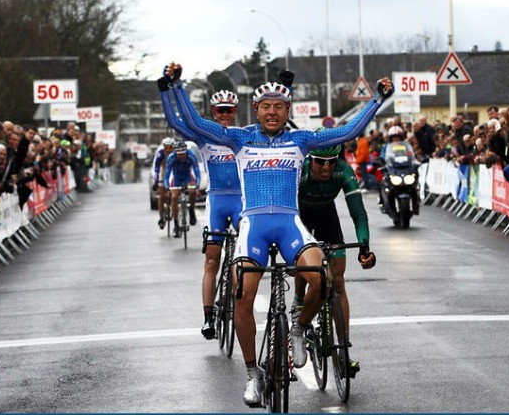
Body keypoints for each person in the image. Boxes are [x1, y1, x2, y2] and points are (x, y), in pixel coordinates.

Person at [165, 61, 394, 407]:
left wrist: (377, 99)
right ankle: (253, 374)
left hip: (290, 223)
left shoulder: (301, 140)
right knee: (242, 289)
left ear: (289, 110)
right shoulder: (238, 138)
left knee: (321, 276)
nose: (272, 112)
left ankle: (300, 327)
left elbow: (347, 132)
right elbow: (195, 123)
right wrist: (177, 85)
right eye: (266, 106)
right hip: (253, 226)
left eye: (279, 106)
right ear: (256, 110)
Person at [158, 79, 244, 340]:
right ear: (212, 111)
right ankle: (208, 317)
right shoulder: (204, 137)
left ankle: (240, 302)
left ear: (236, 111)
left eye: (229, 110)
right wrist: (168, 90)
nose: (225, 115)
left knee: (245, 260)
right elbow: (175, 122)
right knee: (211, 261)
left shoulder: (244, 135)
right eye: (220, 110)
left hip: (242, 200)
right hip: (217, 200)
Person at [295, 139, 376, 377]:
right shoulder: (300, 171)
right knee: (303, 260)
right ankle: (298, 302)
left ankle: (343, 354)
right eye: (321, 162)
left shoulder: (343, 170)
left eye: (331, 163)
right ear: (311, 160)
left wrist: (364, 247)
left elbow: (358, 212)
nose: (327, 168)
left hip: (326, 217)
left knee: (337, 282)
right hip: (300, 216)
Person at [163, 140, 200, 238]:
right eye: (179, 155)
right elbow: (167, 175)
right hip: (177, 178)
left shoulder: (191, 155)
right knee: (174, 197)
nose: (182, 157)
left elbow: (197, 171)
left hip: (188, 176)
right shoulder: (171, 158)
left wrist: (197, 183)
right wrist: (167, 186)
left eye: (183, 154)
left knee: (192, 191)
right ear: (176, 153)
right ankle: (176, 224)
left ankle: (192, 210)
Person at [153, 137, 175, 229]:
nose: (168, 150)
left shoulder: (176, 153)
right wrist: (156, 180)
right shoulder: (161, 154)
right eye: (166, 148)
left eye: (170, 148)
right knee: (161, 197)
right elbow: (157, 168)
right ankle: (161, 218)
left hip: (174, 173)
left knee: (174, 195)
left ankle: (173, 210)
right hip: (164, 174)